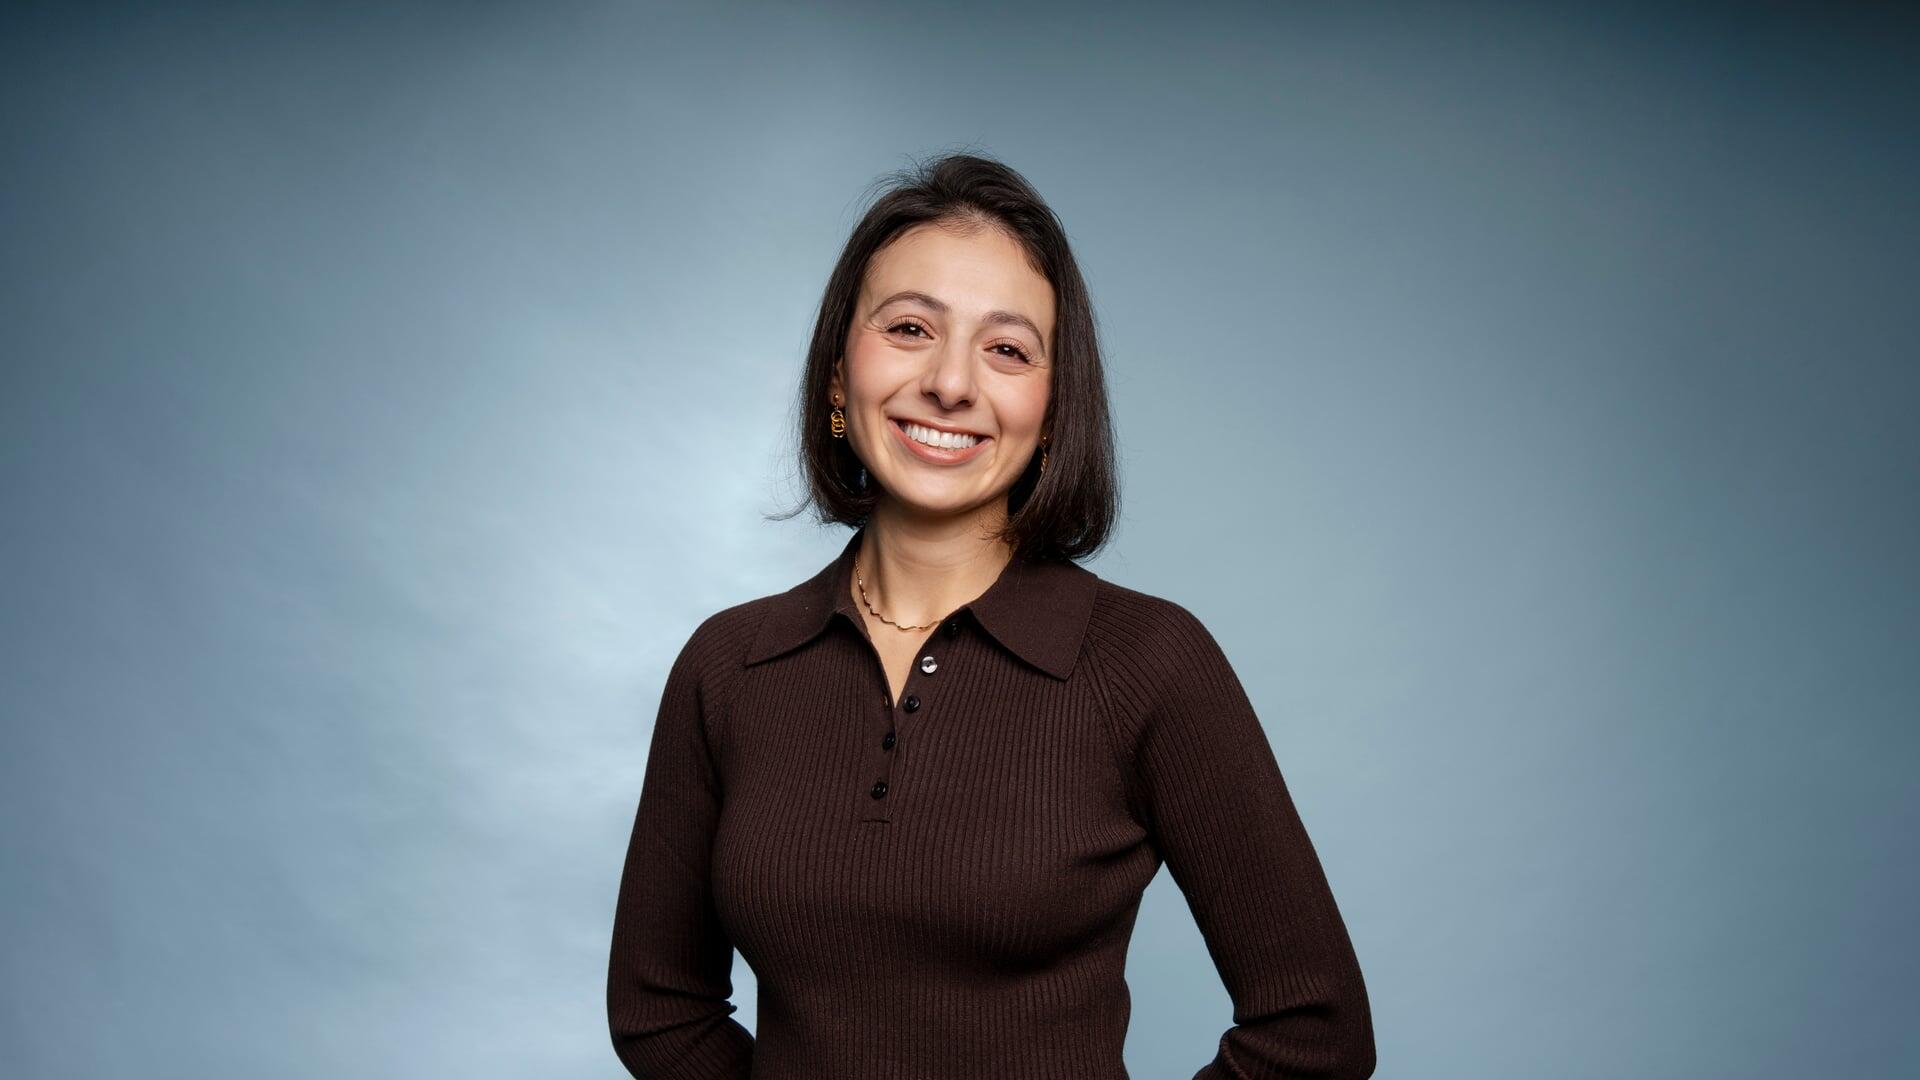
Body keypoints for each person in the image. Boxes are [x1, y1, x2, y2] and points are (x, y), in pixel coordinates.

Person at [606, 152, 1375, 1079]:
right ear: (838, 378)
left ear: (1051, 413)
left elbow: (1315, 1031)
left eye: (1007, 349)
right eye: (909, 328)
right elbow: (659, 1010)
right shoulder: (728, 666)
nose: (951, 383)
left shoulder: (1150, 663)